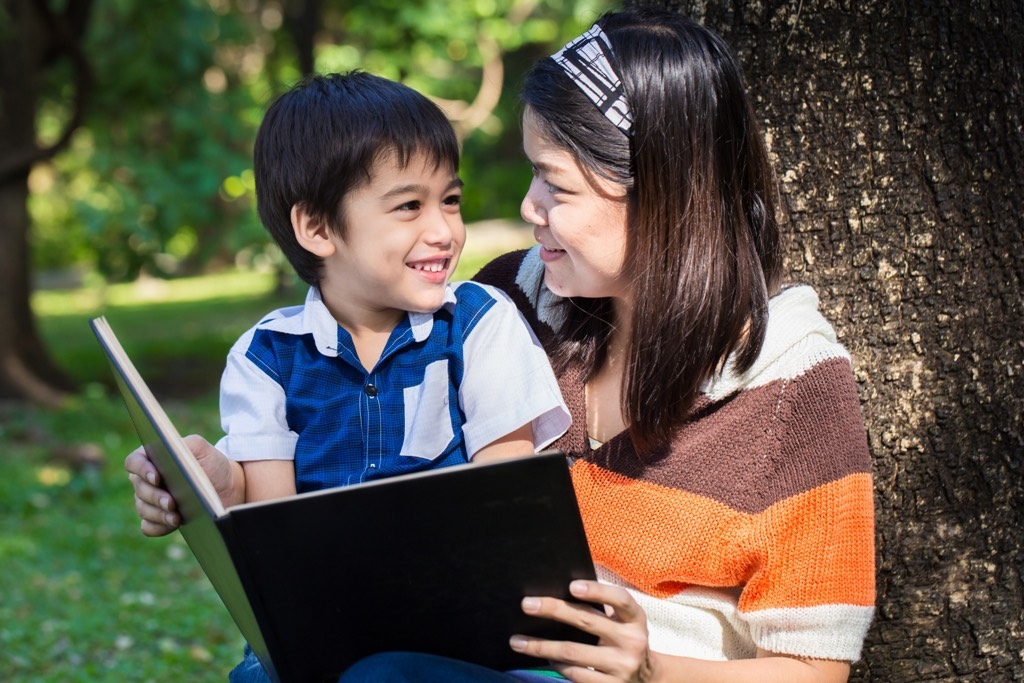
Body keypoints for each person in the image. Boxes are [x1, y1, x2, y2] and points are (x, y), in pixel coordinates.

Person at [128, 8, 876, 682]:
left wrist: (650, 667)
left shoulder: (791, 383)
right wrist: (219, 487)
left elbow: (812, 671)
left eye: (557, 185)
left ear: (663, 195)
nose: (527, 209)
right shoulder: (509, 303)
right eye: (531, 175)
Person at [125, 71, 570, 681]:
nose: (443, 230)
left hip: (473, 635)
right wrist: (217, 482)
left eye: (451, 200)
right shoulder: (266, 357)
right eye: (409, 206)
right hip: (326, 634)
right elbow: (275, 535)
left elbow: (505, 512)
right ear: (317, 228)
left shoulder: (477, 324)